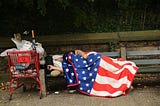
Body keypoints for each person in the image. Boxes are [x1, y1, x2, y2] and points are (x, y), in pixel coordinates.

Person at [46, 50, 138, 97]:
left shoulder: (68, 55)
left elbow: (78, 51)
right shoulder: (64, 66)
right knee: (106, 73)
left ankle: (123, 71)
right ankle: (125, 84)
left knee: (107, 62)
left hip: (92, 58)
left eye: (57, 58)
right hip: (89, 68)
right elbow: (65, 70)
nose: (58, 59)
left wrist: (84, 55)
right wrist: (54, 67)